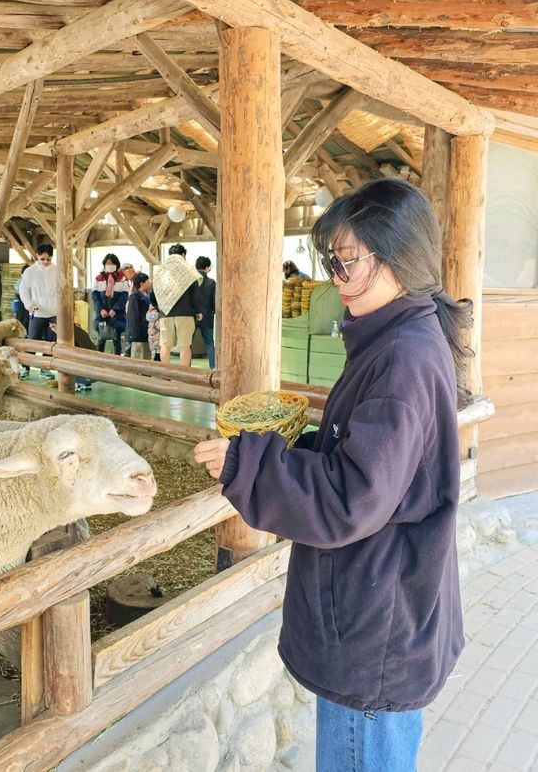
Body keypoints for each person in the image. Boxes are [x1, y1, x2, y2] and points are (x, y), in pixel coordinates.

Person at [194, 178, 473, 772]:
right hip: (385, 611)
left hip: (375, 631)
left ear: (398, 260)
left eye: (349, 262)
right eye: (333, 262)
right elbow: (370, 460)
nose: (336, 279)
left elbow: (354, 497)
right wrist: (285, 452)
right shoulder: (399, 339)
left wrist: (249, 464)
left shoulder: (403, 358)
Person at [151, 244, 202, 367]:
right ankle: (184, 374)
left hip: (165, 314)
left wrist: (157, 306)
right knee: (185, 345)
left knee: (165, 345)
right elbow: (195, 294)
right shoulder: (188, 270)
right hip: (185, 313)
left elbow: (153, 293)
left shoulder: (161, 271)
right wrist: (198, 311)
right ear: (183, 255)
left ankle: (165, 374)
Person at [19, 244, 58, 378]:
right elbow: (23, 290)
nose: (45, 262)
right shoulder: (30, 271)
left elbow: (64, 289)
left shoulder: (57, 270)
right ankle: (26, 367)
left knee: (50, 343)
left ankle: (45, 368)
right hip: (37, 312)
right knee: (32, 341)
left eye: (48, 259)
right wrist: (29, 304)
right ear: (37, 256)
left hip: (53, 312)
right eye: (42, 259)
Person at [91, 253, 130, 355]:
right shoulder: (99, 278)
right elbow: (95, 296)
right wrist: (101, 309)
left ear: (116, 264)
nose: (110, 265)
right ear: (104, 264)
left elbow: (124, 296)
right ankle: (98, 362)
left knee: (117, 340)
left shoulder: (123, 278)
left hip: (116, 314)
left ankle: (116, 362)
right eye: (108, 263)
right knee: (101, 339)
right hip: (102, 314)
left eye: (112, 263)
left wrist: (115, 309)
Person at [48, 319, 96, 392]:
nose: (51, 327)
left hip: (86, 371)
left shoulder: (68, 334)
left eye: (53, 326)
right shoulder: (77, 330)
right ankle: (82, 382)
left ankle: (78, 381)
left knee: (61, 360)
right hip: (95, 371)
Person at [195, 256, 216, 370]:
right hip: (207, 315)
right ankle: (213, 366)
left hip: (192, 315)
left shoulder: (191, 280)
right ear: (207, 267)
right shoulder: (211, 282)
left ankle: (186, 367)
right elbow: (214, 300)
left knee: (187, 343)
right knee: (209, 342)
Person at [125, 272, 152, 360]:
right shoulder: (135, 297)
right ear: (142, 284)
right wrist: (135, 334)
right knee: (138, 358)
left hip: (146, 333)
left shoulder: (147, 296)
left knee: (146, 358)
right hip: (138, 335)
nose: (149, 282)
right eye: (147, 280)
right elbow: (133, 317)